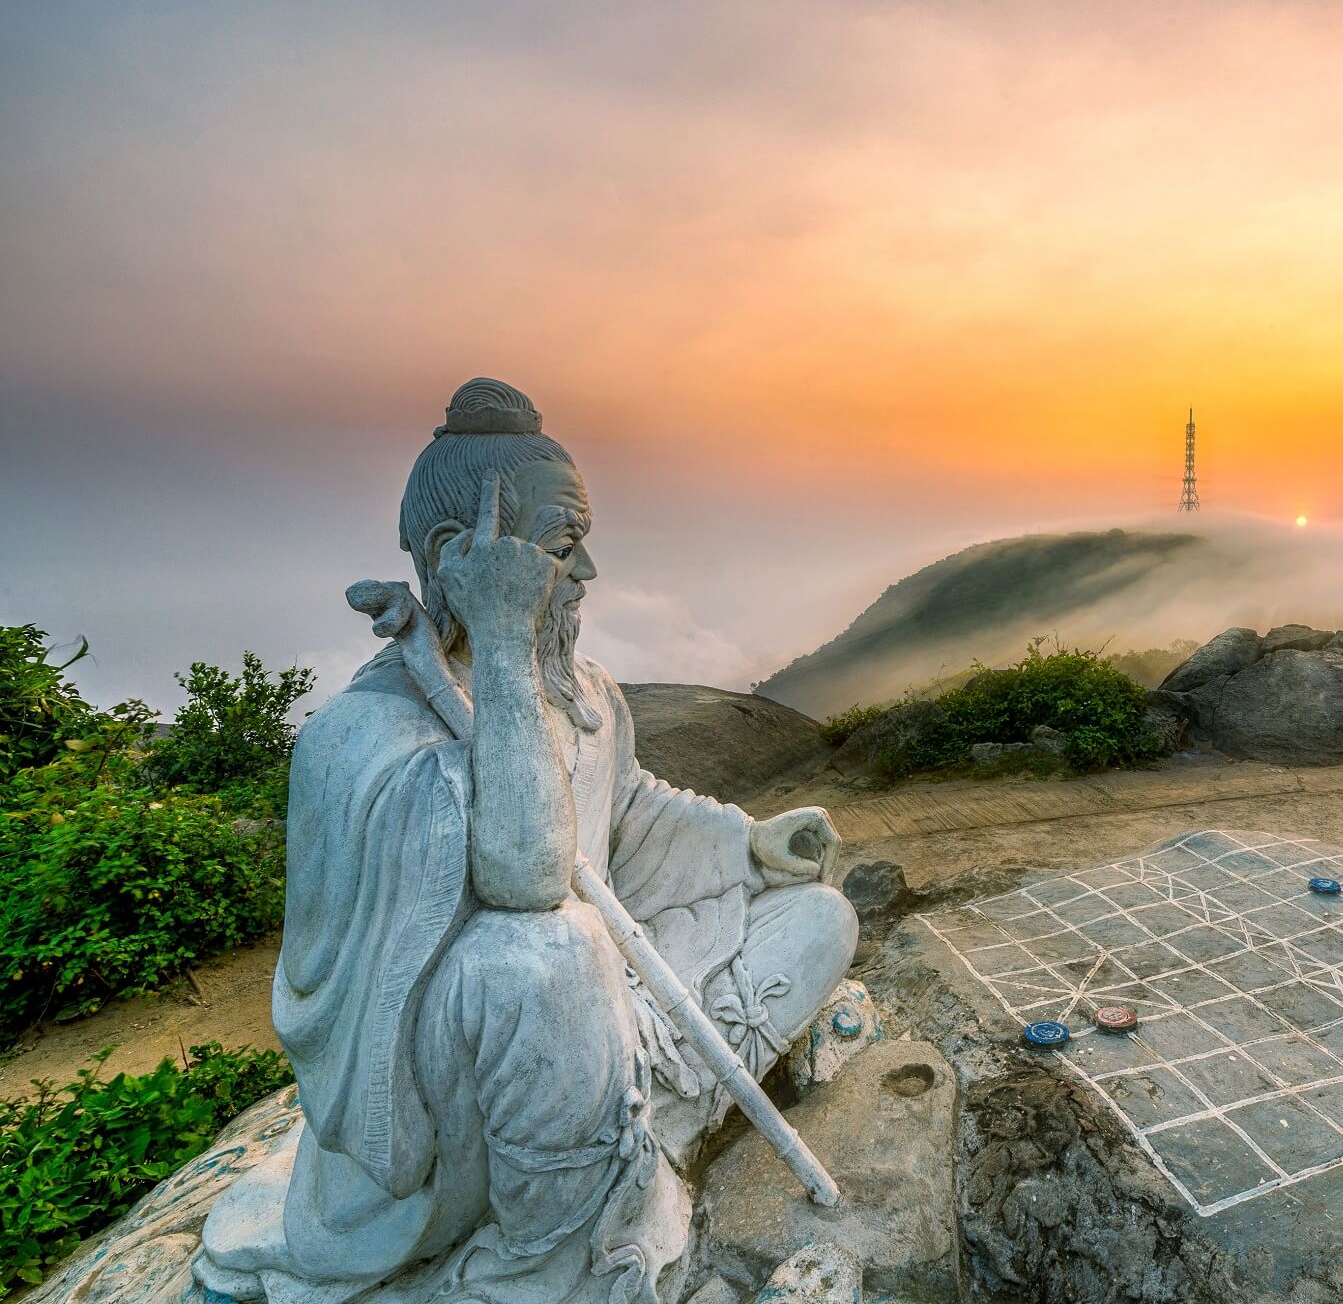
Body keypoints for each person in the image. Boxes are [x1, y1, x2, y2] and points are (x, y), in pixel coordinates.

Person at [195, 378, 857, 1303]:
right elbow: (530, 873)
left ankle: (642, 1131)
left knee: (820, 916)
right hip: (456, 1120)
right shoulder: (359, 740)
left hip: (611, 1018)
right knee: (542, 952)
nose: (585, 574)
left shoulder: (581, 693)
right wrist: (502, 636)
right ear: (456, 553)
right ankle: (539, 1261)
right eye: (561, 547)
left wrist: (750, 846)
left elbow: (628, 818)